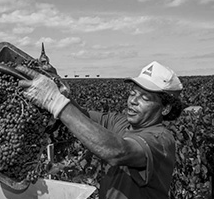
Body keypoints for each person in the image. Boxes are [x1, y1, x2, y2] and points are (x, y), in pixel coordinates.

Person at [16, 61, 184, 199]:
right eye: (133, 93)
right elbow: (81, 116)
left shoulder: (160, 139)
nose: (133, 101)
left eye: (145, 98)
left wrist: (53, 101)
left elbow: (117, 151)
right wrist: (57, 86)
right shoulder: (120, 122)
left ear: (165, 108)